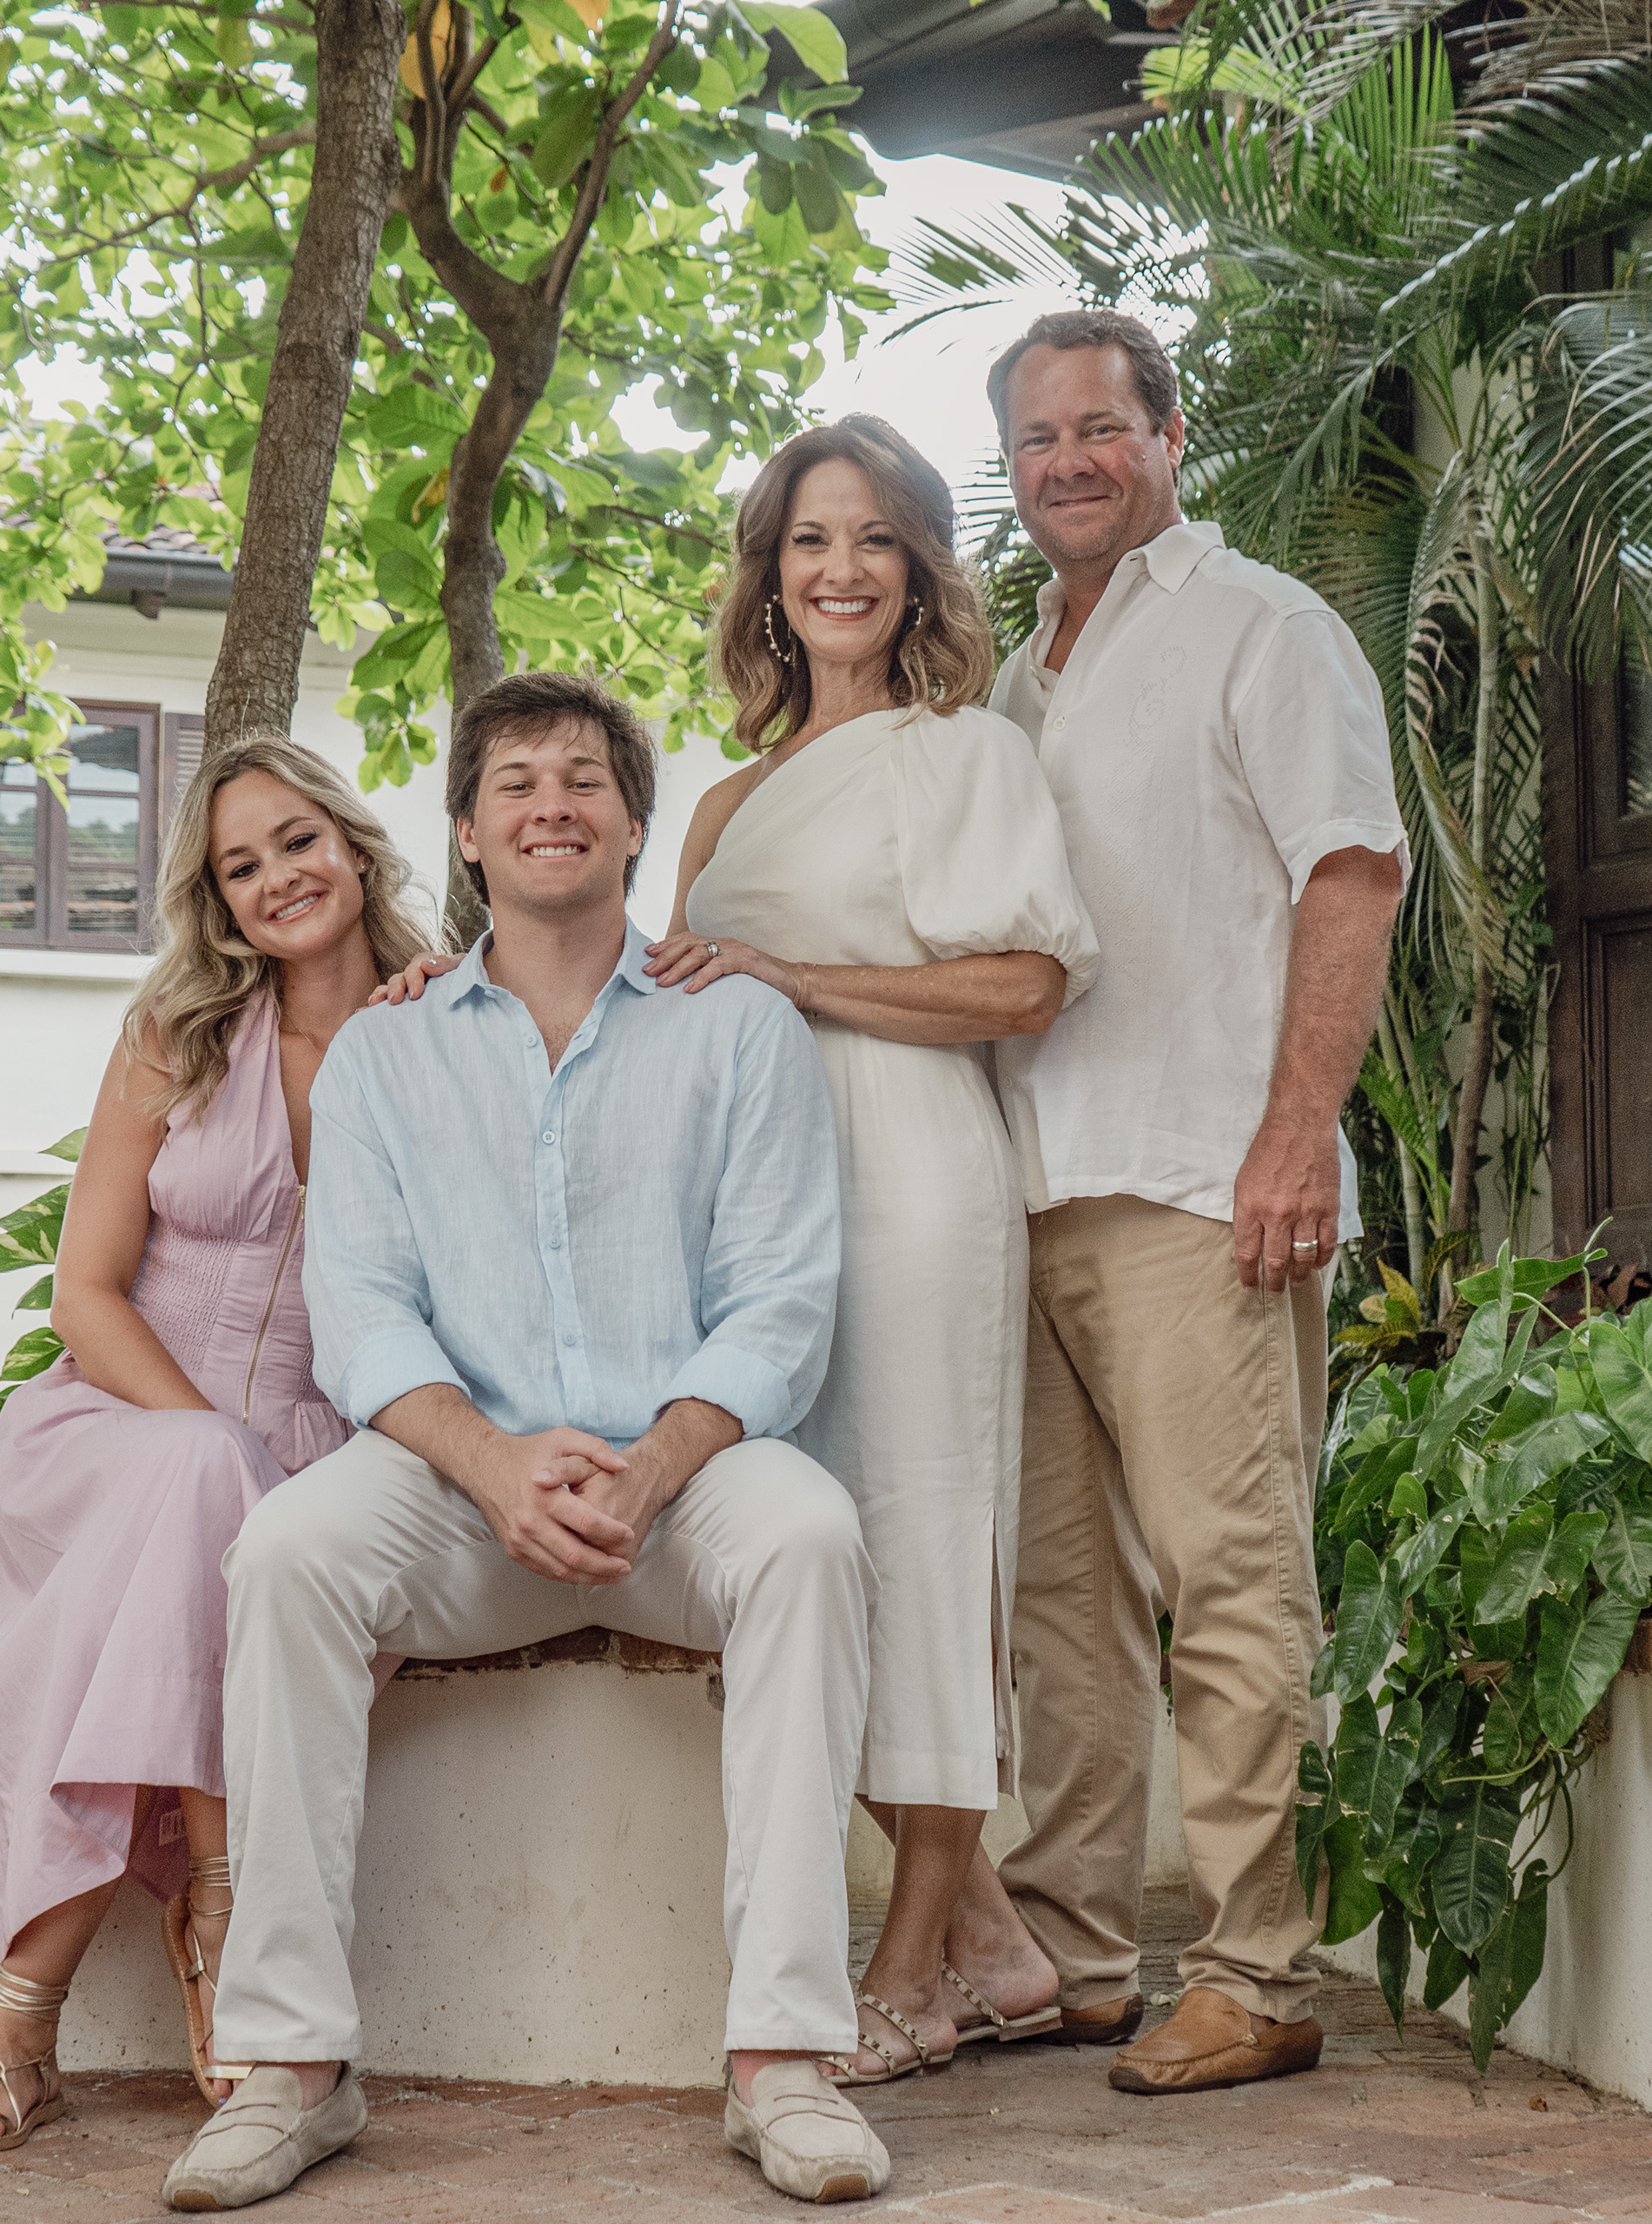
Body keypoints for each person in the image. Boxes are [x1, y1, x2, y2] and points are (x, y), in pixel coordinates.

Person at [161, 672, 893, 2212]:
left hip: (682, 1484)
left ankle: (782, 2059)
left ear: (633, 827)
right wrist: (495, 1468)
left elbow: (780, 1302)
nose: (551, 804)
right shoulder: (388, 1053)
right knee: (288, 1553)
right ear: (468, 834)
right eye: (515, 783)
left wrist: (654, 1465)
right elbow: (364, 1316)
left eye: (583, 781)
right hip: (461, 1489)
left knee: (811, 1534)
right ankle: (291, 2065)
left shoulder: (741, 1028)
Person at [0, 733, 432, 2160]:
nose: (278, 879)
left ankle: (21, 2023)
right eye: (240, 866)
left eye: (298, 842)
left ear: (354, 846)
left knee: (232, 1523)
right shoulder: (175, 1033)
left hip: (330, 1459)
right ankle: (221, 1905)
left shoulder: (447, 1026)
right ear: (219, 899)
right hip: (119, 1426)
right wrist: (212, 1448)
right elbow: (84, 1291)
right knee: (205, 1485)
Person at [983, 308, 1409, 2095]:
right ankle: (1075, 1954)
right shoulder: (1015, 679)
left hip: (1198, 1178)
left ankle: (1257, 1971)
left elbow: (1353, 872)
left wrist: (1296, 1133)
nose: (1069, 462)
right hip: (1026, 1185)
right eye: (1036, 439)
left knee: (1231, 1581)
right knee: (1059, 1607)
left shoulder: (1263, 627)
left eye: (1101, 427)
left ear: (1171, 436)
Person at [663, 415, 1100, 2085]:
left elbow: (1024, 987)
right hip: (757, 1206)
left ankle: (911, 1973)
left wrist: (799, 983)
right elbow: (666, 1008)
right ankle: (995, 1941)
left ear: (917, 570)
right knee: (799, 1561)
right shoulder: (723, 806)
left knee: (921, 1552)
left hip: (914, 1177)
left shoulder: (963, 754)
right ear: (769, 579)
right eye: (807, 541)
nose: (839, 569)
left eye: (872, 539)